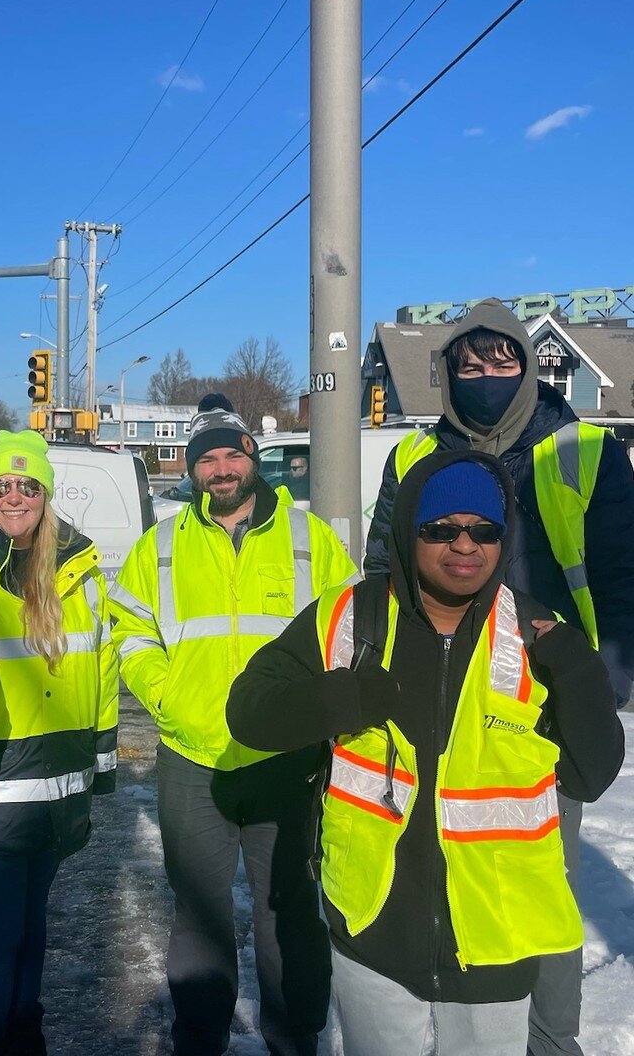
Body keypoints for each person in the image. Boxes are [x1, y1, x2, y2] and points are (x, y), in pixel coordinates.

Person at [227, 452, 624, 1056]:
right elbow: (250, 711)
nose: (464, 545)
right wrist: (347, 697)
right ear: (409, 532)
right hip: (373, 938)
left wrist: (578, 671)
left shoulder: (538, 636)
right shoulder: (350, 616)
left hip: (497, 945)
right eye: (442, 529)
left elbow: (591, 775)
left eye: (484, 530)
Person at [363, 298, 634, 1055]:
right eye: (470, 365)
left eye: (501, 361)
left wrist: (602, 686)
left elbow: (622, 574)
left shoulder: (584, 449)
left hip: (547, 699)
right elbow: (384, 568)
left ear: (529, 365)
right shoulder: (415, 458)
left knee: (543, 881)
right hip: (441, 691)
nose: (486, 376)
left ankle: (551, 1041)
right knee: (442, 864)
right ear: (449, 374)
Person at [109, 395, 358, 1056]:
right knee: (199, 916)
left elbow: (349, 630)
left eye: (230, 454)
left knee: (290, 913)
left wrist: (317, 712)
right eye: (206, 459)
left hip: (286, 758)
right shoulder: (159, 545)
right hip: (193, 758)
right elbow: (130, 630)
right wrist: (169, 700)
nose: (220, 469)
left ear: (252, 456)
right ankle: (200, 1040)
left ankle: (294, 1038)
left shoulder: (312, 540)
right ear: (192, 471)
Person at [0, 429, 118, 1056]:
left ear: (45, 493)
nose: (14, 497)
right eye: (0, 486)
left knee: (34, 928)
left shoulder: (79, 572)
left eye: (27, 485)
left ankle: (22, 1037)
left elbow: (104, 669)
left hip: (61, 785)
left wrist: (102, 767)